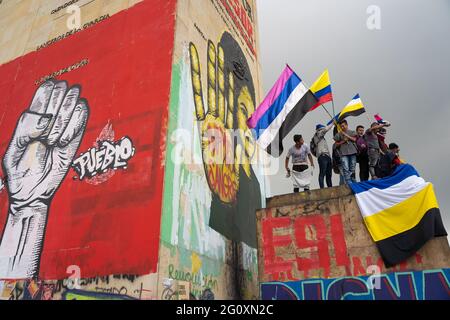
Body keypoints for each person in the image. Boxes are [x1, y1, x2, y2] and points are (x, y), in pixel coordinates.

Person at [334, 120, 358, 184]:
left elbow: (355, 139)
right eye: (341, 126)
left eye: (343, 126)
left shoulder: (352, 132)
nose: (342, 127)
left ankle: (353, 180)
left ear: (347, 125)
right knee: (345, 168)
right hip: (343, 153)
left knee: (352, 167)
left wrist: (347, 136)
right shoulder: (338, 134)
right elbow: (336, 144)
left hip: (352, 152)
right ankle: (348, 182)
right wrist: (343, 141)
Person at [312, 123, 333, 189]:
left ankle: (330, 188)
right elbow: (326, 129)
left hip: (327, 156)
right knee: (322, 173)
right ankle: (322, 188)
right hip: (322, 156)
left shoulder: (322, 137)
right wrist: (333, 123)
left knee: (329, 174)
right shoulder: (318, 134)